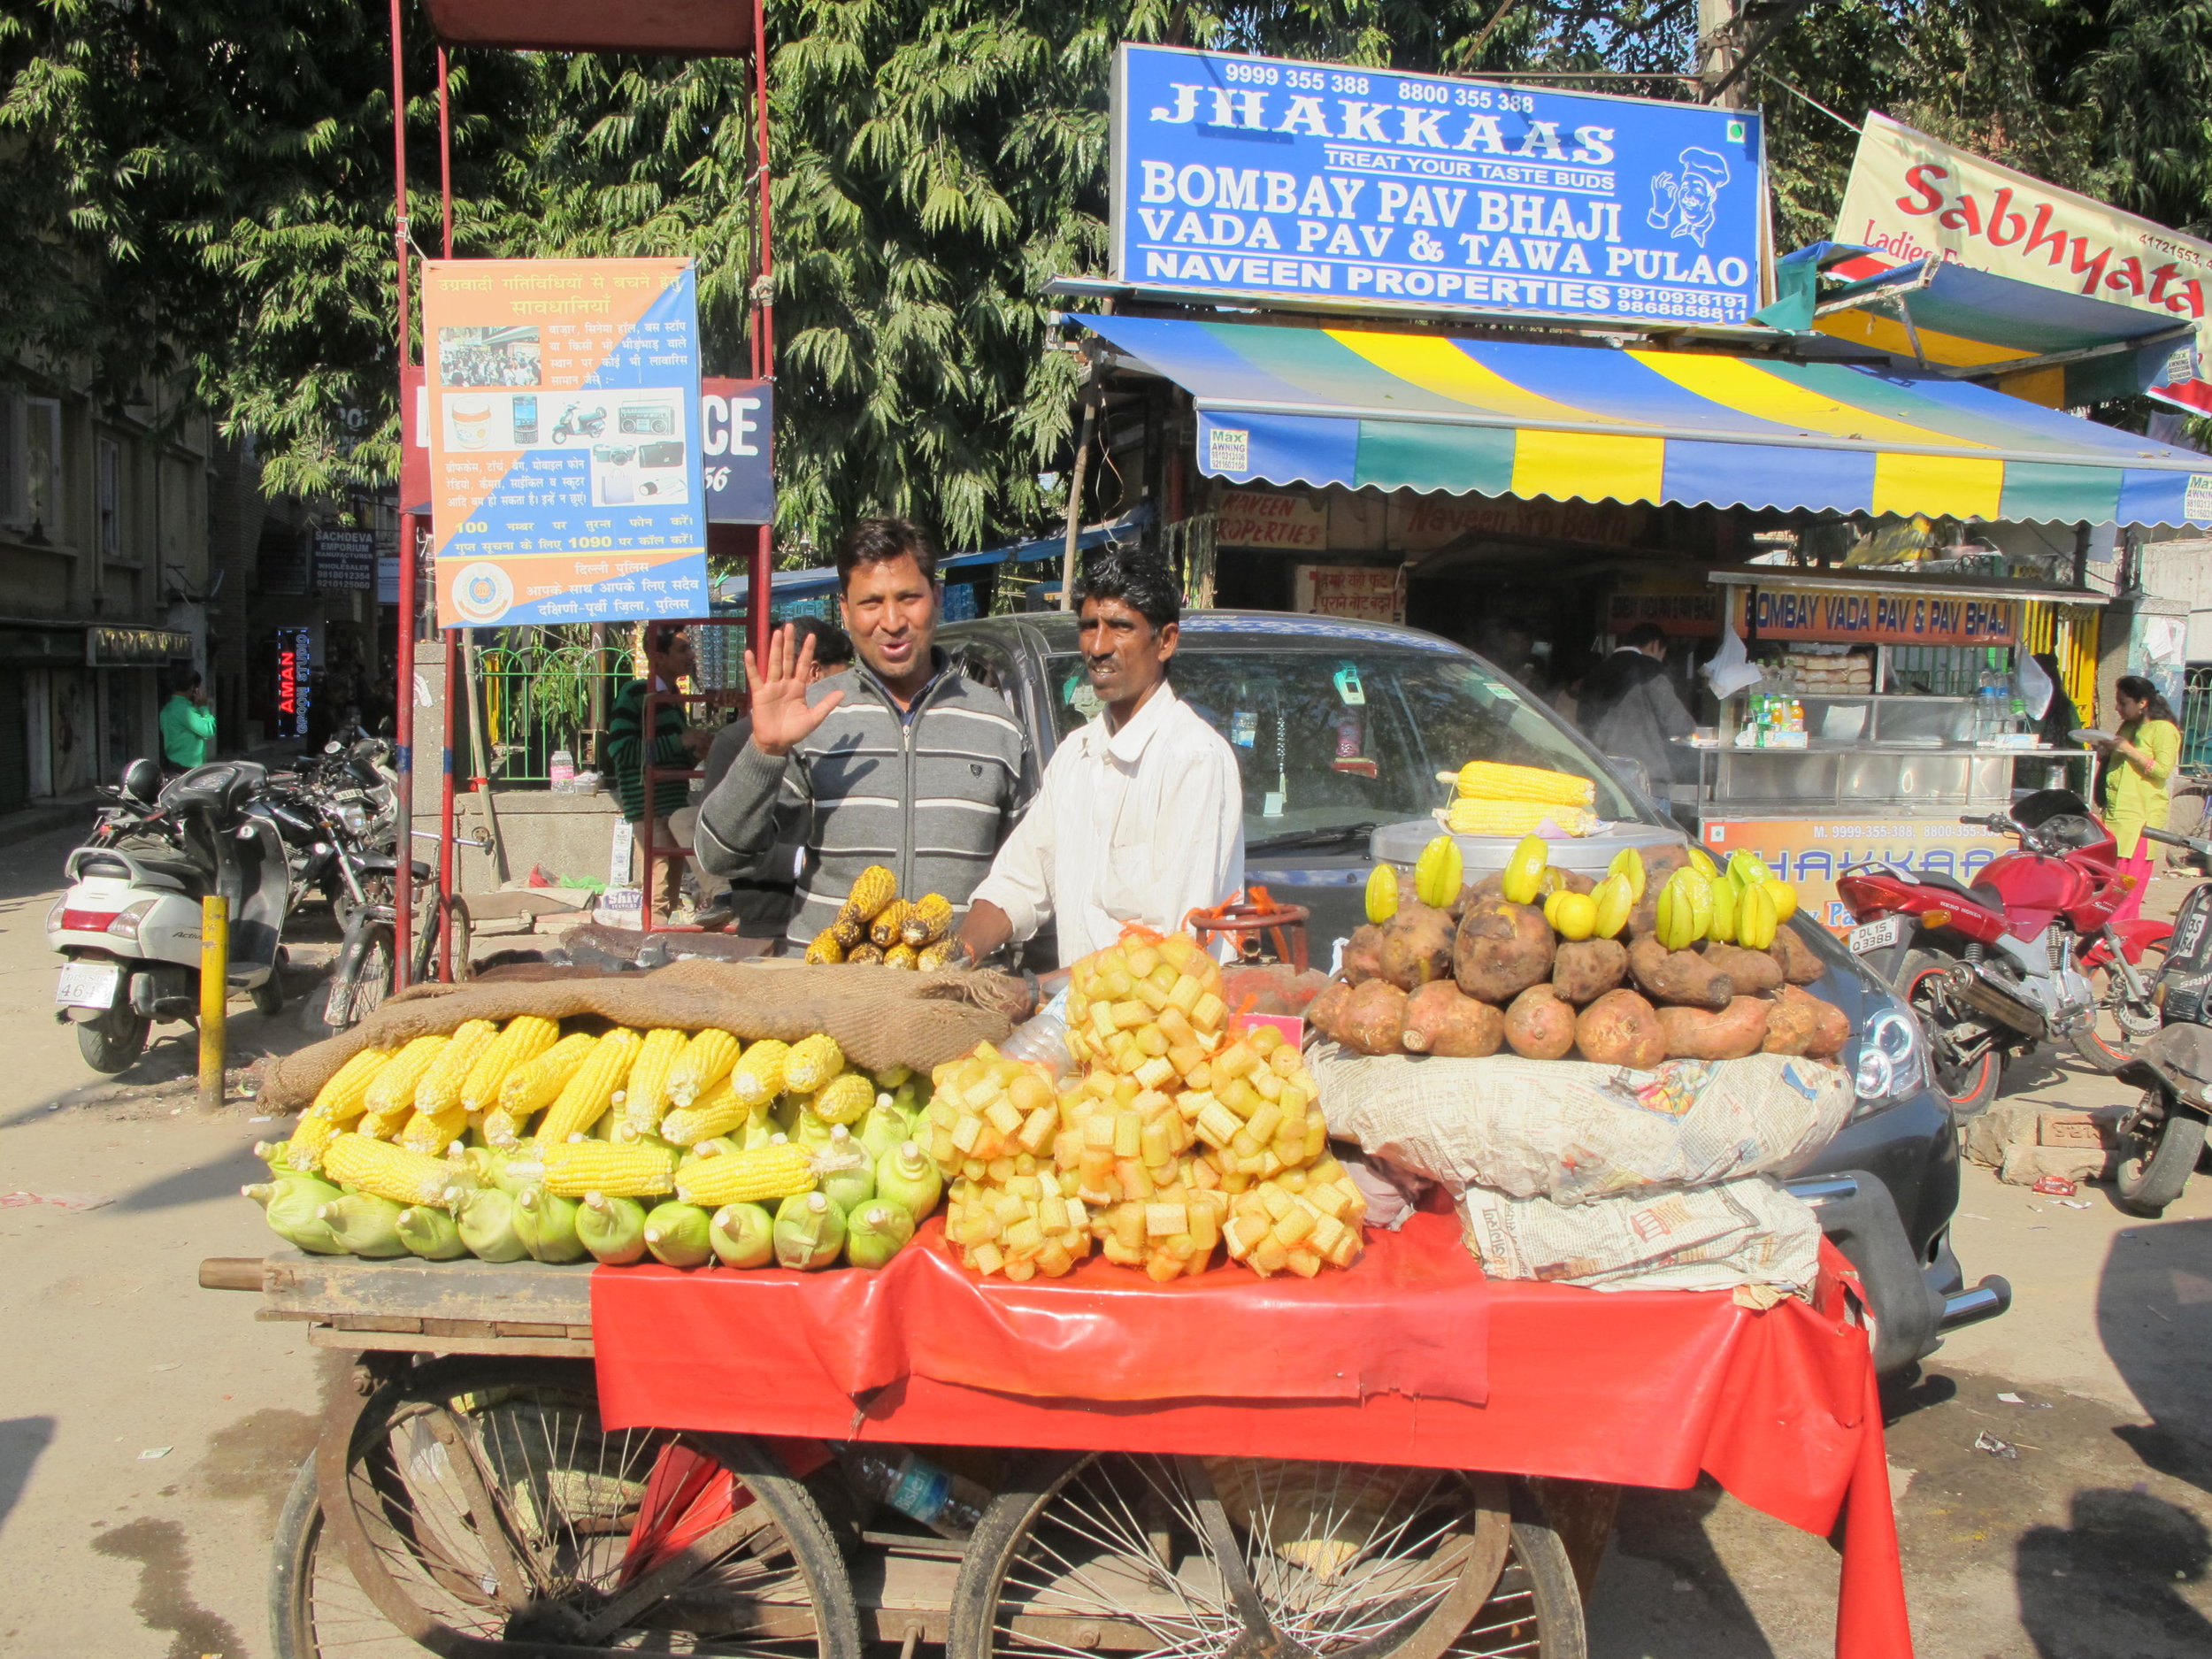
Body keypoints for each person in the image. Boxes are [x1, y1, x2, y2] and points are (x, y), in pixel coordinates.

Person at [695, 518, 1028, 951]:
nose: (892, 621)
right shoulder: (813, 717)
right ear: (847, 611)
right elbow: (721, 856)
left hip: (953, 991)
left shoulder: (997, 724)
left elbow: (1029, 877)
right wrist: (765, 750)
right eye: (871, 603)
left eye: (908, 597)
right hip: (829, 995)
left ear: (938, 598)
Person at [956, 550, 1244, 968]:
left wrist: (1037, 990)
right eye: (1089, 626)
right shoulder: (1076, 755)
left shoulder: (1193, 759)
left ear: (1165, 641)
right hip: (1081, 1019)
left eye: (1120, 627)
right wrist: (958, 955)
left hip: (1162, 1023)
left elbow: (1171, 947)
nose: (1097, 646)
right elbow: (1020, 881)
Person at [696, 617, 854, 939]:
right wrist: (809, 861)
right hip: (772, 923)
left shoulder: (843, 739)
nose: (847, 694)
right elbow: (724, 845)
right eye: (843, 680)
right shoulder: (737, 742)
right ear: (814, 673)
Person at [605, 623, 714, 923]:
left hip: (672, 801)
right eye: (682, 649)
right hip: (648, 803)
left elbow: (670, 758)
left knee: (670, 892)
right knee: (658, 891)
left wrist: (695, 752)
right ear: (658, 657)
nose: (691, 655)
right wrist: (678, 741)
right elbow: (620, 751)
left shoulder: (674, 698)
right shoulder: (636, 694)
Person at [2093, 674, 2181, 926]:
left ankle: (2119, 942)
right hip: (2114, 816)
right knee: (2109, 886)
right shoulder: (2129, 727)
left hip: (2139, 821)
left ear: (2142, 703)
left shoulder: (2163, 729)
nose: (2118, 709)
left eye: (2123, 703)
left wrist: (2129, 751)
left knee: (2125, 890)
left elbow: (2162, 771)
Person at [1579, 622, 1694, 795]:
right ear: (1655, 645)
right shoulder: (1651, 671)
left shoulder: (1594, 673)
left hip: (1603, 778)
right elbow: (1678, 723)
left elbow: (1582, 722)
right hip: (1647, 780)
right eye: (1662, 654)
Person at [159, 671, 216, 775]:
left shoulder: (166, 710)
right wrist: (204, 708)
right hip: (189, 767)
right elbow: (209, 731)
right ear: (193, 688)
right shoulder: (187, 711)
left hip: (172, 763)